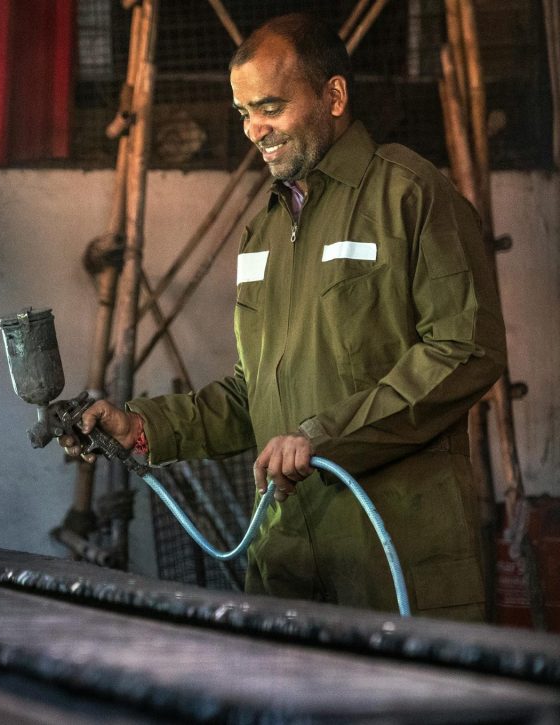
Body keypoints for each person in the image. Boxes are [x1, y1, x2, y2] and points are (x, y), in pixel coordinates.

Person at [63, 13, 507, 621]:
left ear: (334, 96)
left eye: (271, 106)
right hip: (286, 557)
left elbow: (464, 350)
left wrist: (324, 437)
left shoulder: (410, 194)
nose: (255, 130)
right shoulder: (263, 230)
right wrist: (142, 427)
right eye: (244, 112)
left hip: (393, 553)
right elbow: (256, 394)